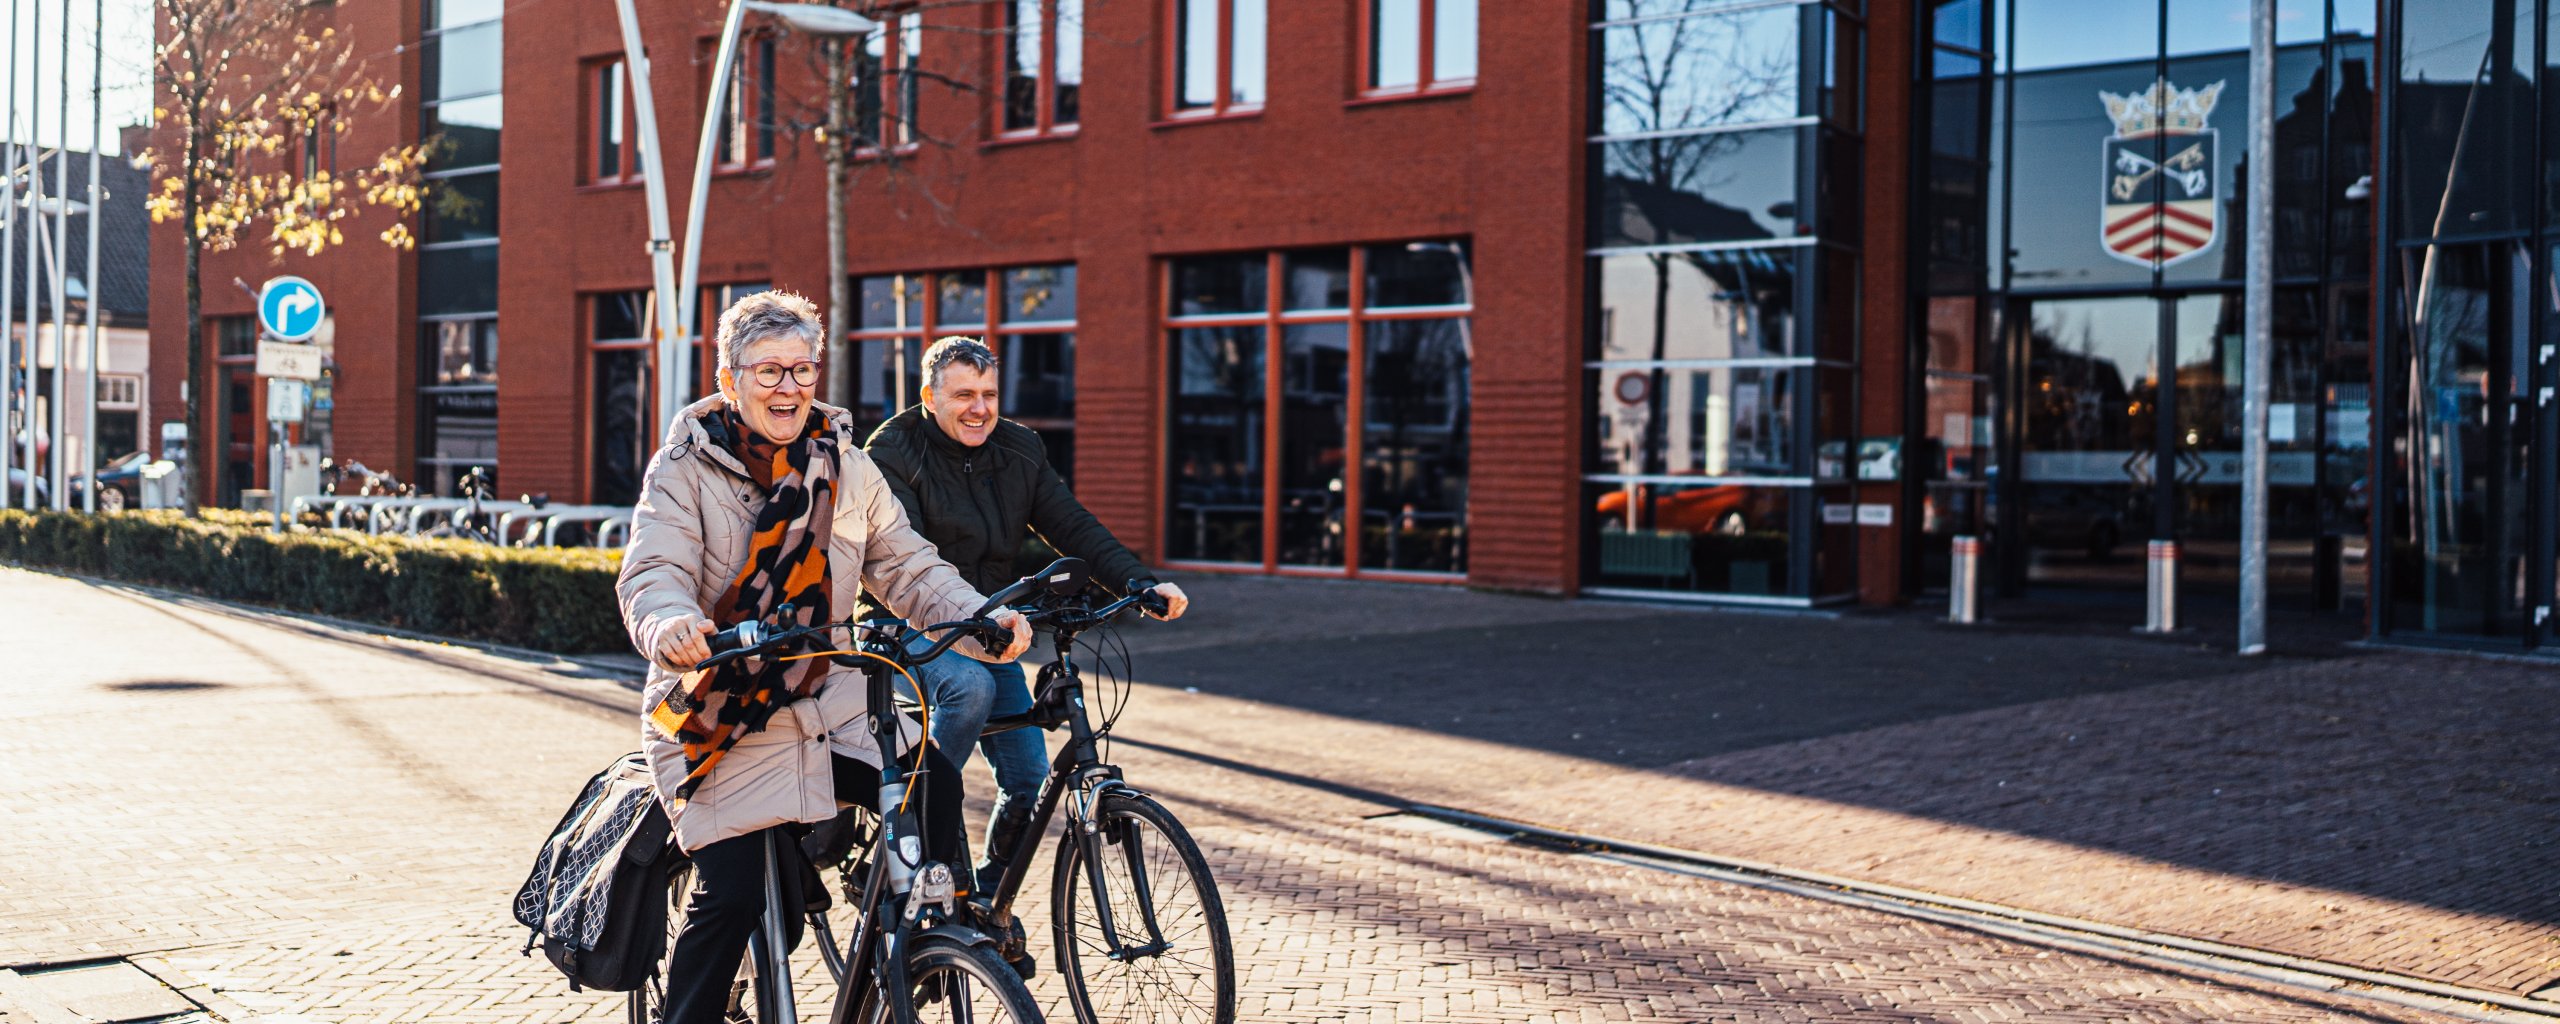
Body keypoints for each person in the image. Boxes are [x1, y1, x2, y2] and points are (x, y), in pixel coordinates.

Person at [618, 292, 1031, 1024]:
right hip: (719, 709)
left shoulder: (846, 465)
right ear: (728, 377)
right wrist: (673, 624)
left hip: (828, 696)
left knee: (929, 778)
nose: (789, 387)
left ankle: (913, 946)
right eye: (769, 371)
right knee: (733, 898)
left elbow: (907, 566)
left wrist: (978, 617)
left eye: (802, 369)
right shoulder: (684, 466)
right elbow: (655, 569)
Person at [863, 336, 1190, 895]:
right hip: (906, 625)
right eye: (964, 394)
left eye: (989, 394)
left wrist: (1137, 582)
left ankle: (984, 899)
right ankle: (919, 820)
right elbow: (906, 560)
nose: (980, 408)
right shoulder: (892, 450)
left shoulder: (1018, 449)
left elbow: (1072, 524)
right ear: (929, 396)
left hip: (992, 629)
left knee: (1030, 781)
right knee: (968, 688)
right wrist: (974, 618)